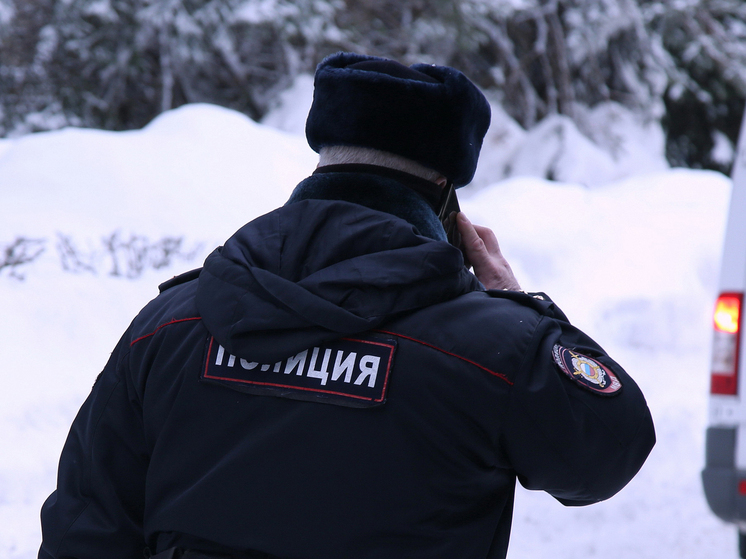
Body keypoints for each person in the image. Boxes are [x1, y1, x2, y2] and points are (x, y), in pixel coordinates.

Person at [39, 52, 655, 559]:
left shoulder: (167, 326)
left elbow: (85, 530)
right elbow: (608, 451)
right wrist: (520, 307)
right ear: (446, 199)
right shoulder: (495, 351)